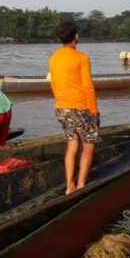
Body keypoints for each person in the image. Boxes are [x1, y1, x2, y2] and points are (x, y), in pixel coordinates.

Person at [49, 22, 100, 195]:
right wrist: (94, 110)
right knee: (89, 145)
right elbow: (88, 86)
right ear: (76, 37)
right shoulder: (81, 57)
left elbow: (54, 84)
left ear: (59, 38)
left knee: (72, 146)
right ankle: (81, 185)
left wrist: (61, 102)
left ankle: (69, 186)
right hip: (82, 107)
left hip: (62, 107)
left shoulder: (54, 57)